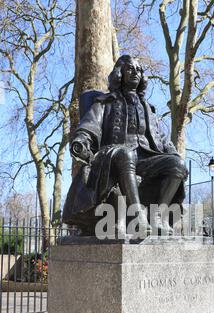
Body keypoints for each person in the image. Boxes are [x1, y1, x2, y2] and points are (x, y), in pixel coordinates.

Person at [63, 54, 188, 237]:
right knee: (125, 154)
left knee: (177, 164)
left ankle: (158, 217)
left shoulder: (148, 108)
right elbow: (89, 126)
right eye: (130, 68)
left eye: (139, 70)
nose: (135, 73)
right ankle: (138, 216)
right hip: (114, 156)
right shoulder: (105, 102)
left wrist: (174, 155)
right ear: (120, 73)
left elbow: (162, 139)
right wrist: (81, 141)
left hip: (146, 157)